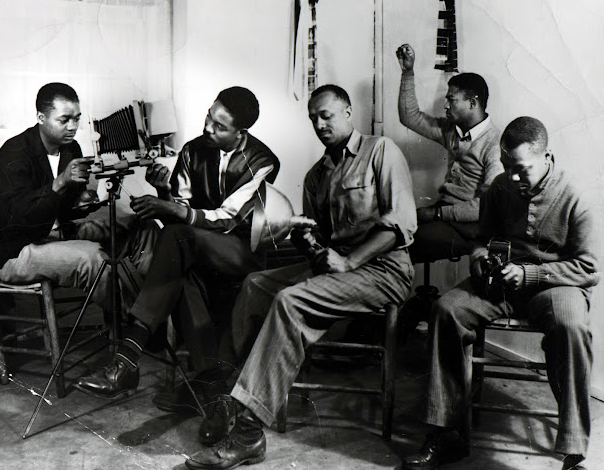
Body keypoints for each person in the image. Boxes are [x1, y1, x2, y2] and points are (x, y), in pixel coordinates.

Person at [184, 84, 417, 469]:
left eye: (326, 115)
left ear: (347, 112)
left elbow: (403, 224)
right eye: (313, 118)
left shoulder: (381, 150)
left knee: (290, 302)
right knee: (256, 285)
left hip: (384, 270)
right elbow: (321, 239)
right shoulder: (316, 176)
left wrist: (349, 261)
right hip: (337, 267)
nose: (320, 124)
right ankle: (232, 393)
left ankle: (248, 433)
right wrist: (304, 236)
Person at [403, 117, 599, 470]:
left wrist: (530, 273)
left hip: (556, 285)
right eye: (506, 167)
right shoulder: (499, 187)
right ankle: (447, 433)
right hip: (503, 284)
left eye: (521, 169)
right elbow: (482, 238)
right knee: (446, 310)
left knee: (571, 328)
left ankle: (573, 450)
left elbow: (589, 268)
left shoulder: (576, 196)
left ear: (547, 156)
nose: (512, 178)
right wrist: (479, 256)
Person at [74, 86, 281, 407]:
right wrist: (164, 194)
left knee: (177, 238)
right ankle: (209, 383)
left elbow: (227, 219)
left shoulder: (263, 161)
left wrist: (172, 210)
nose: (208, 128)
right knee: (179, 271)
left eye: (220, 126)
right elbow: (180, 210)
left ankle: (127, 355)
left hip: (238, 252)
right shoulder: (192, 150)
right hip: (193, 245)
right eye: (208, 117)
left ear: (242, 132)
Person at [0, 82, 111, 308]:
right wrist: (61, 182)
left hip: (55, 235)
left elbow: (63, 209)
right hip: (16, 251)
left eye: (77, 119)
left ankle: (142, 321)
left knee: (134, 229)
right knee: (93, 259)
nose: (73, 127)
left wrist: (83, 202)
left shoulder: (71, 149)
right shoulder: (13, 153)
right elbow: (15, 219)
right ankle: (131, 334)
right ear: (41, 117)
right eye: (64, 120)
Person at [396, 43, 502, 262]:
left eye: (451, 99)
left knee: (399, 241)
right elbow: (410, 117)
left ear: (473, 103)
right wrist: (408, 72)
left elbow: (487, 207)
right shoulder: (451, 130)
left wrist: (436, 213)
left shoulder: (494, 145)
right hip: (444, 216)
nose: (445, 105)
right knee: (391, 227)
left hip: (469, 228)